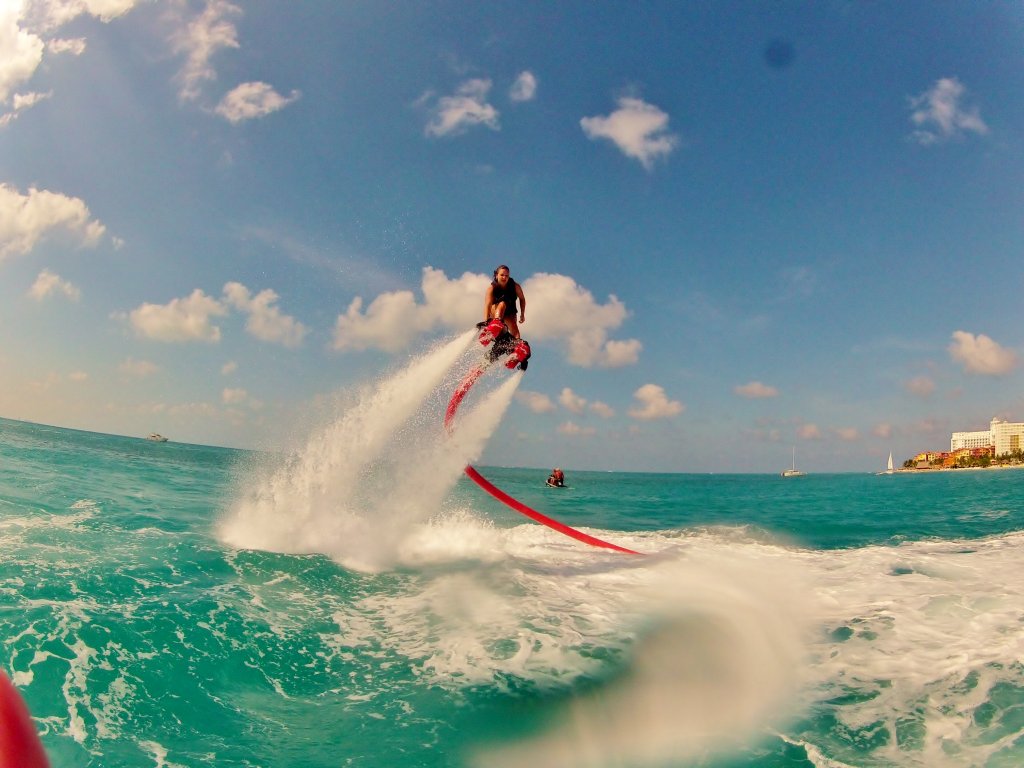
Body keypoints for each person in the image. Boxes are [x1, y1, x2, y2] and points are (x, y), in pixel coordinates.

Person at [484, 264, 526, 339]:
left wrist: (522, 314)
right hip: (495, 312)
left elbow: (522, 299)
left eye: (507, 275)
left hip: (509, 313)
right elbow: (488, 305)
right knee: (502, 304)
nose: (504, 277)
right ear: (496, 275)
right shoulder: (491, 288)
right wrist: (486, 322)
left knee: (514, 327)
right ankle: (496, 325)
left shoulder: (515, 286)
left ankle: (517, 344)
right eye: (502, 275)